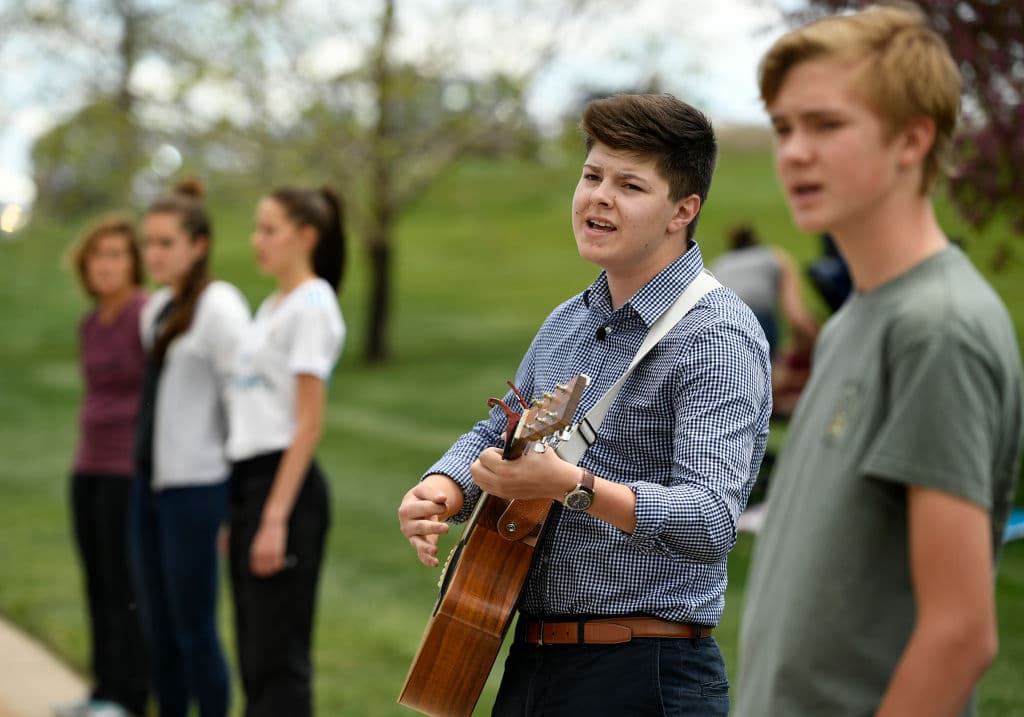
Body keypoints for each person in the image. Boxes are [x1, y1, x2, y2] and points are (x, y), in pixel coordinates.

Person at [398, 93, 772, 715]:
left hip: (646, 671)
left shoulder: (717, 335)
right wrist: (446, 487)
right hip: (531, 657)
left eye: (629, 184)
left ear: (684, 209)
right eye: (592, 175)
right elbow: (502, 427)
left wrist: (570, 484)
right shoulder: (567, 323)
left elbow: (710, 521)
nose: (599, 196)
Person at [736, 6, 1024, 717]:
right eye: (784, 128)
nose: (794, 152)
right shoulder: (860, 316)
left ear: (912, 139)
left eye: (826, 125)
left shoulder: (938, 330)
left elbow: (961, 635)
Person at [129, 179, 250, 717]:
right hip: (148, 486)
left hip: (198, 489)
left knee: (194, 627)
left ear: (198, 244)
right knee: (156, 628)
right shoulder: (154, 309)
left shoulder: (220, 307)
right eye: (148, 243)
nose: (153, 254)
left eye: (165, 243)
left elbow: (241, 406)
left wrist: (232, 503)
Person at [226, 186, 345, 716]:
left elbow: (309, 423)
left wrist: (274, 518)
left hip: (285, 488)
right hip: (250, 481)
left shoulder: (313, 306)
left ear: (306, 237)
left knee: (278, 658)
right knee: (253, 651)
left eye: (270, 229)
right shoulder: (273, 304)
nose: (258, 240)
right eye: (258, 227)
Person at [60, 215, 149, 717]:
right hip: (87, 465)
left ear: (132, 262)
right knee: (95, 578)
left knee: (124, 583)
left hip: (127, 470)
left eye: (117, 254)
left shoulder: (145, 313)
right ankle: (101, 690)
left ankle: (129, 696)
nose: (107, 264)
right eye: (98, 256)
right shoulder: (90, 323)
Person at [710, 222, 819, 362]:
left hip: (718, 327)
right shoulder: (774, 257)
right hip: (758, 321)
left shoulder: (719, 265)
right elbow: (796, 315)